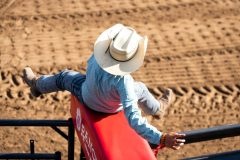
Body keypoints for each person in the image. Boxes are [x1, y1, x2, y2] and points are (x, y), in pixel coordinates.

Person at [23, 24, 185, 153]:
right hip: (109, 108)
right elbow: (134, 119)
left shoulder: (97, 55)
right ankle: (157, 109)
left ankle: (37, 85)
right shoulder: (124, 82)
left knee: (64, 77)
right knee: (141, 89)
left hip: (86, 94)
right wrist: (162, 138)